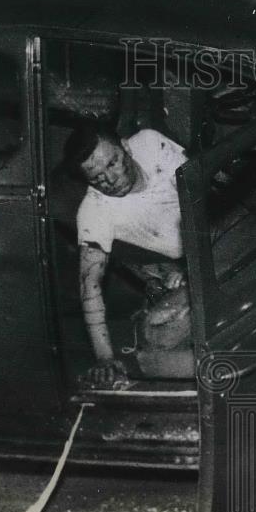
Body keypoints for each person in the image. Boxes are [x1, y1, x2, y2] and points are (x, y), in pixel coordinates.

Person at [63, 121, 189, 387]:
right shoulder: (93, 212)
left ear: (125, 147)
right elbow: (90, 284)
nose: (109, 179)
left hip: (221, 231)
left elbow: (203, 191)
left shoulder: (151, 144)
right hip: (190, 268)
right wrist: (105, 357)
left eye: (113, 163)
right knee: (157, 335)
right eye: (96, 178)